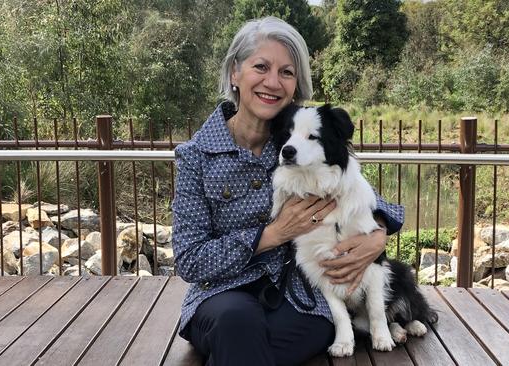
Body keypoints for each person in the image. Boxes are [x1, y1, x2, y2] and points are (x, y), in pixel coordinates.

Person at [172, 16, 404, 366]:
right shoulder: (196, 156)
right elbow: (189, 259)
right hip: (222, 294)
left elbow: (363, 197)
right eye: (261, 67)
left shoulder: (298, 145)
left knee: (291, 336)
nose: (272, 82)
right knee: (238, 323)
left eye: (286, 72)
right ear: (235, 73)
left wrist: (379, 234)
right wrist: (274, 234)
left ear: (296, 85)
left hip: (298, 297)